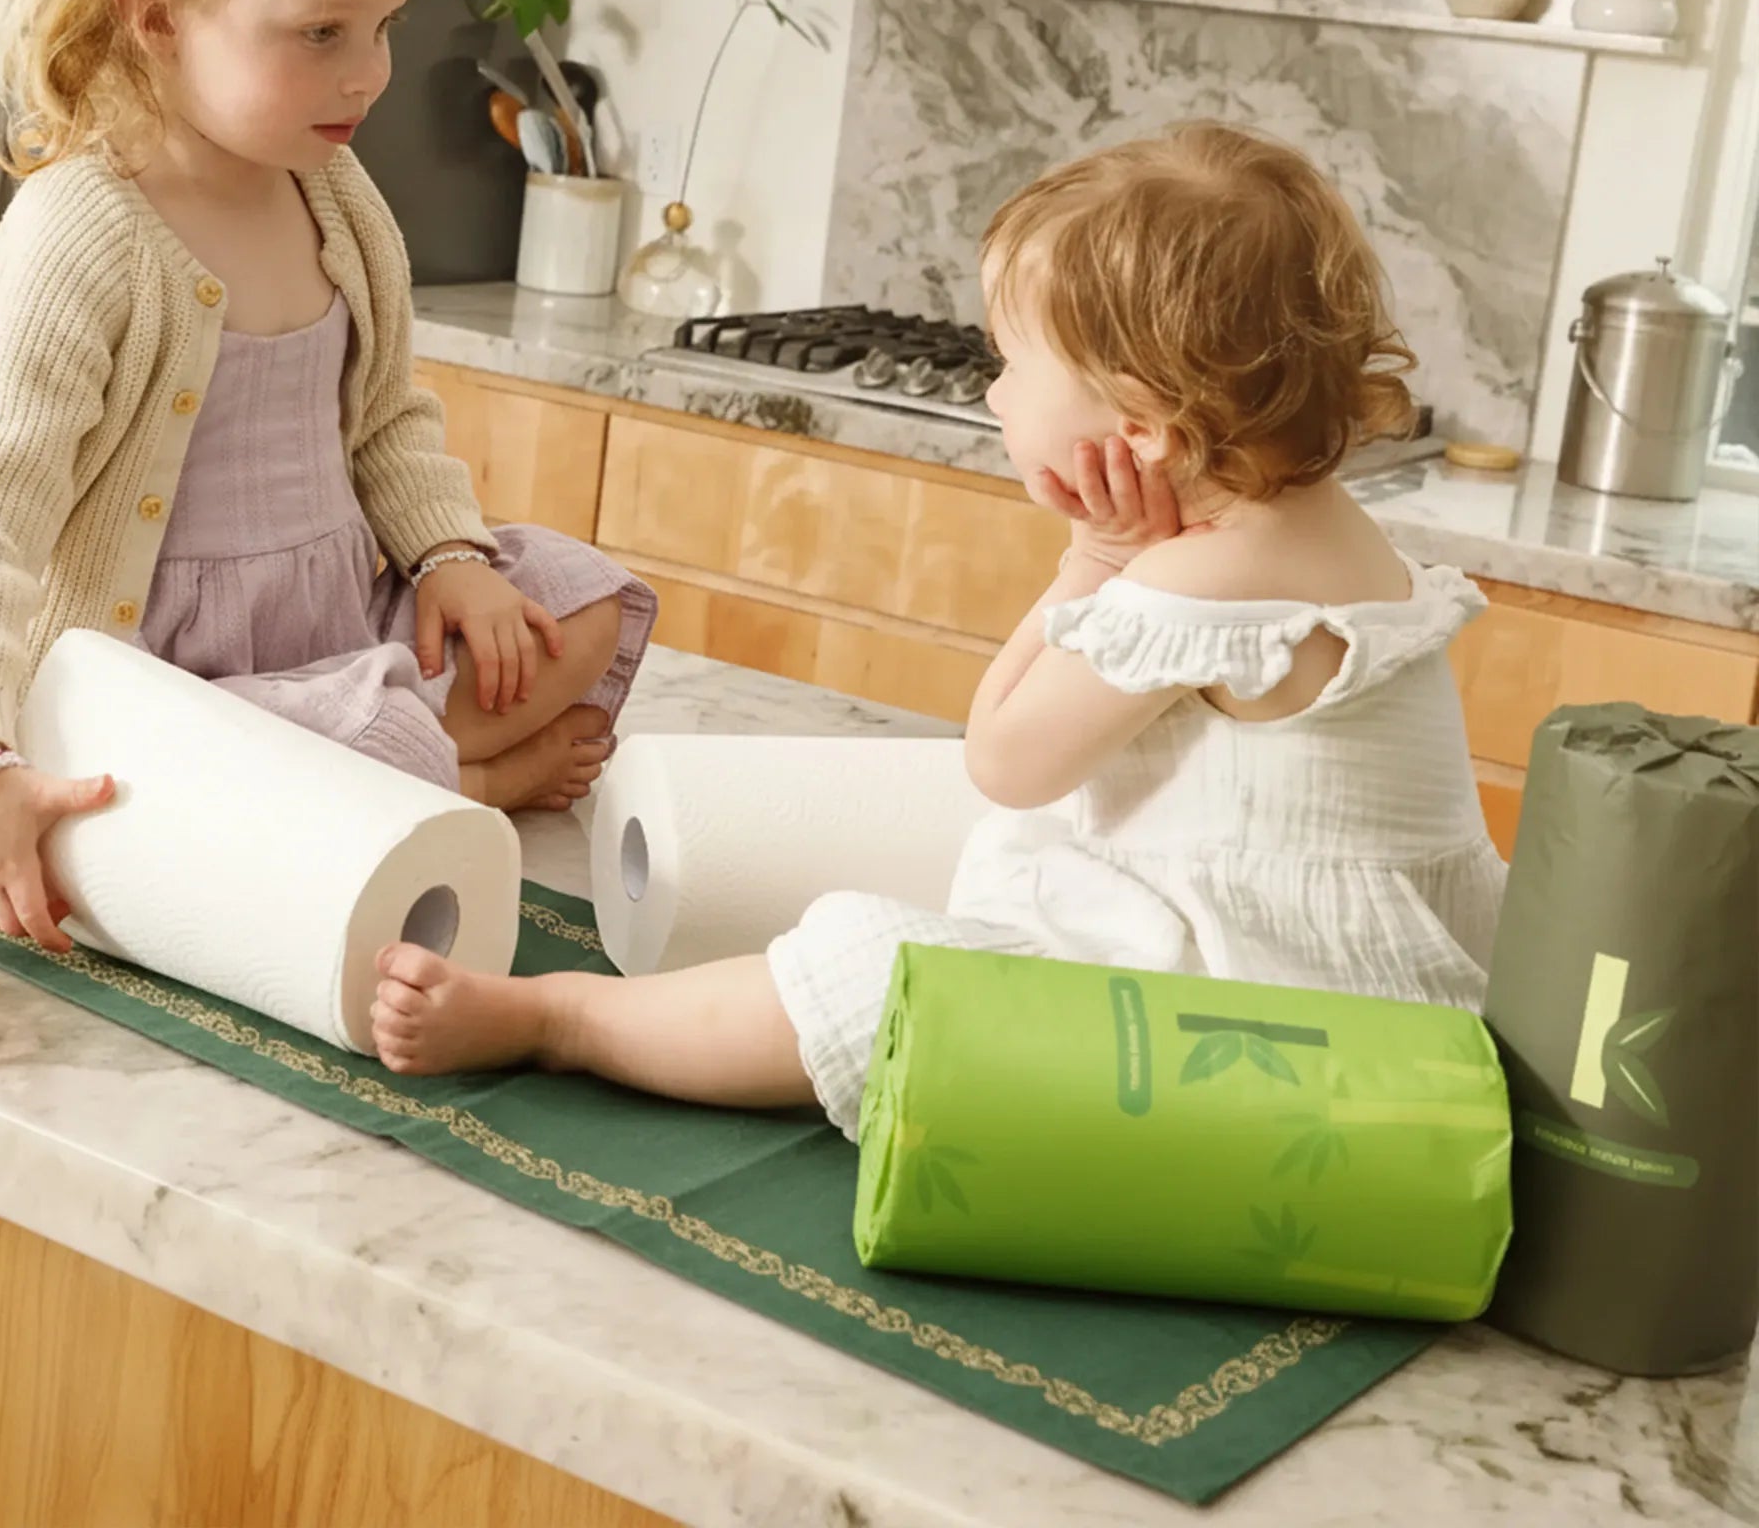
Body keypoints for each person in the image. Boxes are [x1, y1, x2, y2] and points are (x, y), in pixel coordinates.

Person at [369, 123, 1502, 1137]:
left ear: (1142, 429)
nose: (995, 395)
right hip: (1379, 1008)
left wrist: (1091, 563)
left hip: (1243, 1029)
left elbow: (1003, 758)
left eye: (1011, 367)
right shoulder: (1339, 538)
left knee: (863, 971)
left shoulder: (1198, 582)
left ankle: (565, 1017)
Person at [0, 0, 653, 955]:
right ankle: (462, 781)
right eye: (320, 32)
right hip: (162, 679)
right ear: (154, 19)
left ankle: (408, 774)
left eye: (383, 24)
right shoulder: (84, 236)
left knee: (575, 607)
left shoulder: (332, 190)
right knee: (324, 748)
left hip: (338, 623)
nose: (368, 73)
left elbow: (384, 415)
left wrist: (448, 558)